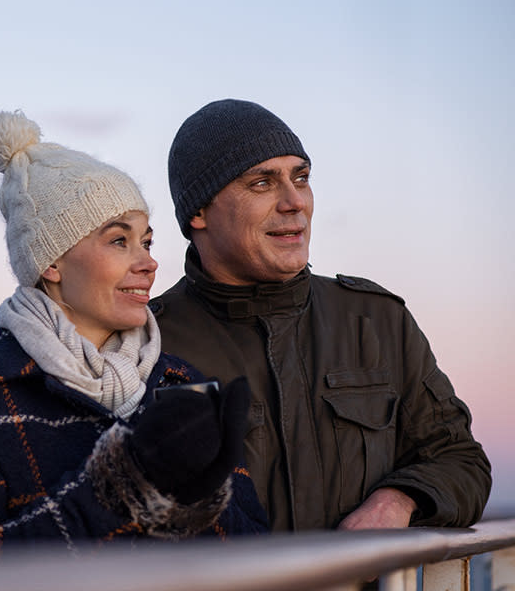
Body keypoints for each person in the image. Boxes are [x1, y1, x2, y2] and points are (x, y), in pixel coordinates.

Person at [0, 110, 268, 566]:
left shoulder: (181, 383)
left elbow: (255, 559)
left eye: (147, 241)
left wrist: (203, 494)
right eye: (119, 241)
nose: (148, 263)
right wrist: (127, 485)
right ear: (51, 263)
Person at [151, 99, 491, 532]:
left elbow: (461, 461)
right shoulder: (146, 342)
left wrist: (401, 499)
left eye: (301, 178)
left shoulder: (376, 322)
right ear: (198, 211)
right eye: (262, 183)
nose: (295, 202)